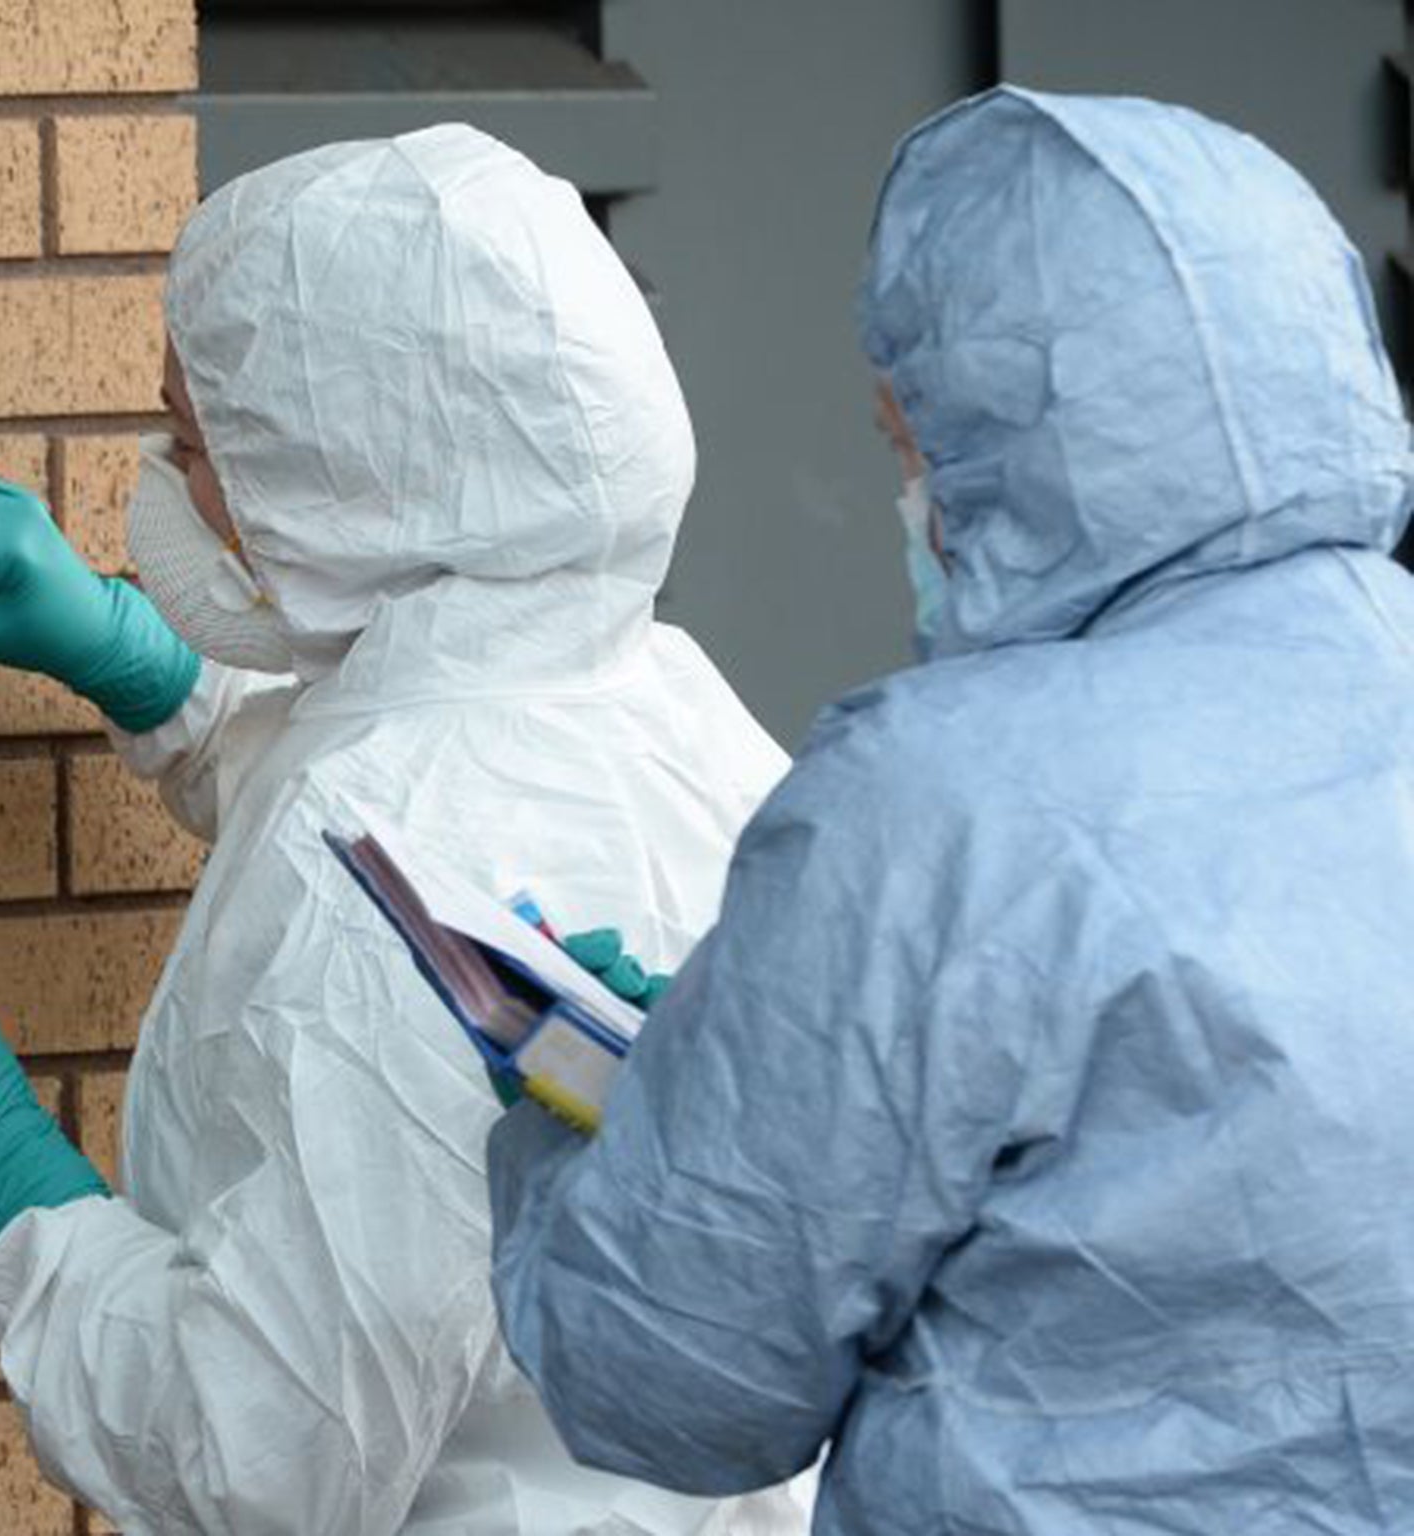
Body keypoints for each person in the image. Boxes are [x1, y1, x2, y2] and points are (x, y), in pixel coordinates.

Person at [0, 125, 810, 1534]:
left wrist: (6, 1167)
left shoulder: (372, 873)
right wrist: (146, 667)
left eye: (201, 446)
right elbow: (420, 803)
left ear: (359, 481)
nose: (167, 483)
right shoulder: (659, 701)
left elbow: (265, 1459)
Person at [484, 86, 1414, 1534]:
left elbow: (673, 1379)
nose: (914, 496)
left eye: (912, 443)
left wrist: (582, 1136)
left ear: (1008, 444)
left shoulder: (934, 806)